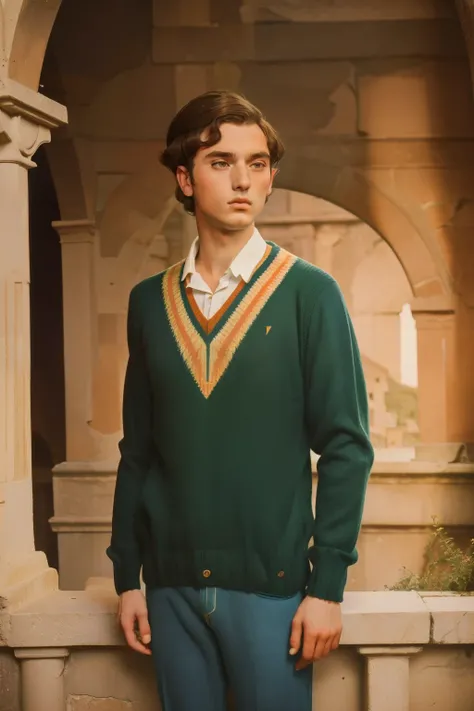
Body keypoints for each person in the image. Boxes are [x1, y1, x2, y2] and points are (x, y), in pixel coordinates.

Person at [107, 90, 374, 711]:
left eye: (257, 164)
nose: (243, 180)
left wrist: (327, 586)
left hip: (274, 594)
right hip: (169, 594)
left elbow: (346, 447)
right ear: (184, 177)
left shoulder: (311, 293)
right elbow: (137, 451)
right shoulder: (149, 301)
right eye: (222, 162)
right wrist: (127, 577)